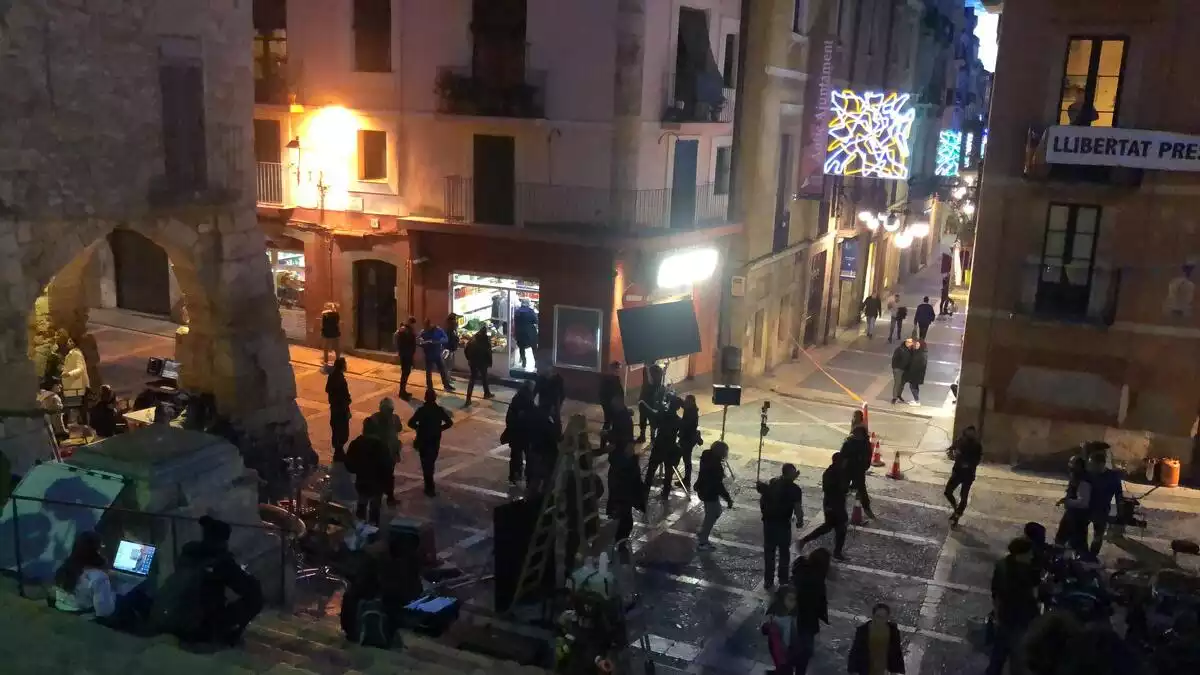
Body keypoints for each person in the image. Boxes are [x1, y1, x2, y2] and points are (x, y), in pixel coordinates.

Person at [153, 515, 263, 646]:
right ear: (223, 541)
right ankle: (227, 635)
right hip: (202, 627)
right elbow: (247, 588)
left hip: (177, 619)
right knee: (256, 598)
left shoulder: (189, 552)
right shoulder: (220, 562)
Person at [987, 537, 1041, 675]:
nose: (1032, 555)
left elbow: (995, 592)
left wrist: (997, 614)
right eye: (1029, 553)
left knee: (997, 658)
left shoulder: (1002, 565)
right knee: (1018, 661)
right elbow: (1034, 596)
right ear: (1021, 554)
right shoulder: (1027, 572)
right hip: (1020, 621)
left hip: (1003, 617)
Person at [1065, 450, 1123, 558]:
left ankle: (1092, 555)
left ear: (1101, 464)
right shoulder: (1088, 474)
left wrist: (1119, 512)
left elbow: (1119, 494)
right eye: (1089, 463)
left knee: (1098, 535)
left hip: (1102, 510)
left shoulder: (1112, 477)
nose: (1090, 465)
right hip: (1086, 509)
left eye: (1092, 464)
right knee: (1081, 532)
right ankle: (1082, 553)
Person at [757, 463, 805, 588]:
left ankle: (768, 580)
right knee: (784, 552)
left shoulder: (773, 483)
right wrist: (800, 521)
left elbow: (763, 499)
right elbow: (798, 508)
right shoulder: (795, 489)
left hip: (769, 523)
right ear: (790, 474)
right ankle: (783, 579)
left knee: (769, 552)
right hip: (783, 524)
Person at [788, 548, 832, 675]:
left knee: (791, 650)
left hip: (793, 618)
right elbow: (817, 603)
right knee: (803, 655)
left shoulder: (800, 568)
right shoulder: (816, 581)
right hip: (806, 621)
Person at [799, 453, 850, 560]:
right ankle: (836, 552)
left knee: (832, 527)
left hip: (838, 504)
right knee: (836, 528)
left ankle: (806, 540)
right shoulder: (830, 474)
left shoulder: (839, 472)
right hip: (833, 505)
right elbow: (830, 490)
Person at [53, 531, 115, 617]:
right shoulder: (99, 577)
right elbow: (104, 612)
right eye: (101, 545)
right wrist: (111, 590)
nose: (104, 547)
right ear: (96, 551)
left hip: (59, 613)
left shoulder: (64, 568)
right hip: (84, 621)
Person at [345, 419, 392, 525]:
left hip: (362, 481)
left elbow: (349, 464)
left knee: (361, 507)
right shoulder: (382, 445)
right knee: (375, 510)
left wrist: (357, 469)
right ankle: (373, 530)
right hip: (377, 483)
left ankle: (360, 530)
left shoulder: (356, 443)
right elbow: (388, 466)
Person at [408, 389, 453, 497]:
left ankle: (429, 486)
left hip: (423, 439)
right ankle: (429, 486)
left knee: (425, 464)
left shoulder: (422, 410)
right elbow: (449, 422)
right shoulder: (439, 410)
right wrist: (439, 428)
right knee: (431, 463)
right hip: (434, 440)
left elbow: (411, 423)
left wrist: (419, 428)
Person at [606, 438, 645, 560]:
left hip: (624, 499)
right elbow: (633, 483)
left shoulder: (627, 464)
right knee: (625, 523)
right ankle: (619, 546)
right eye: (629, 448)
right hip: (622, 499)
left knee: (625, 522)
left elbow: (636, 483)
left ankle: (619, 545)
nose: (632, 450)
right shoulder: (626, 466)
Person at [694, 441, 733, 550]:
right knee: (711, 515)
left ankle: (703, 533)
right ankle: (703, 541)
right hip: (710, 492)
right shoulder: (716, 466)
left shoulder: (706, 456)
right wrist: (728, 498)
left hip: (703, 489)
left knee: (715, 512)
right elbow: (718, 485)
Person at [848, 603, 906, 675]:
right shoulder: (863, 631)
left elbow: (896, 653)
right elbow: (855, 651)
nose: (880, 620)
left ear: (887, 618)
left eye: (883, 617)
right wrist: (853, 671)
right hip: (867, 669)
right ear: (873, 616)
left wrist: (894, 671)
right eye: (878, 616)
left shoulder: (893, 632)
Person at [643, 397, 682, 502]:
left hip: (659, 446)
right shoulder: (678, 420)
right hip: (670, 448)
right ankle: (665, 494)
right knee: (668, 473)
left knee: (651, 472)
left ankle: (645, 492)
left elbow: (654, 422)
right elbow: (681, 434)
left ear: (669, 404)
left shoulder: (662, 414)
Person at [366, 398, 403, 505]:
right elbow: (399, 429)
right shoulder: (393, 418)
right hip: (383, 452)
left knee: (386, 476)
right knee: (385, 476)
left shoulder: (375, 418)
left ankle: (386, 497)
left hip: (386, 453)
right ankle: (386, 497)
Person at [944, 426, 982, 524]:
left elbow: (977, 460)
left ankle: (957, 515)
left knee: (964, 496)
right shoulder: (960, 441)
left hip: (968, 475)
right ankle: (955, 508)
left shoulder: (977, 445)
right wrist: (950, 452)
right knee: (948, 492)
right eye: (968, 432)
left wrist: (968, 464)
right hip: (957, 472)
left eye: (972, 433)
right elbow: (952, 449)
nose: (970, 434)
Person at [762, 586, 803, 675]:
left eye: (795, 600)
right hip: (777, 649)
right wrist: (769, 627)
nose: (793, 603)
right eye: (790, 599)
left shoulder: (795, 614)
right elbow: (764, 629)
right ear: (782, 598)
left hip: (788, 650)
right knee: (783, 667)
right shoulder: (774, 614)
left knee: (786, 669)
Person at [503, 383, 536, 483]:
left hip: (516, 433)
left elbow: (509, 418)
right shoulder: (529, 402)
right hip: (524, 434)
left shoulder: (516, 400)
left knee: (515, 455)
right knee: (528, 456)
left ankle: (514, 475)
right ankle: (527, 476)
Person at [843, 426, 875, 520]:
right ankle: (838, 509)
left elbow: (868, 459)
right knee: (844, 488)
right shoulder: (850, 442)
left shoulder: (863, 443)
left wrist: (863, 468)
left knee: (861, 490)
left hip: (856, 470)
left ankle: (867, 508)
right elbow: (842, 456)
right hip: (850, 470)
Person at [326, 357, 351, 461]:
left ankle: (338, 451)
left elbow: (327, 389)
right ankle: (339, 452)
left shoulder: (332, 376)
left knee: (336, 430)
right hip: (341, 409)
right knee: (342, 431)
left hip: (335, 408)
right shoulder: (340, 379)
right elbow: (344, 396)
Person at [418, 318, 454, 392]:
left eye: (427, 326)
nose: (426, 328)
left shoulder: (438, 330)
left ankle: (446, 385)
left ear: (430, 325)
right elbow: (418, 340)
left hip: (437, 354)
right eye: (425, 326)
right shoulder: (423, 332)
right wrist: (421, 342)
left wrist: (436, 342)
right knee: (428, 373)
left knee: (442, 371)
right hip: (428, 355)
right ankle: (430, 388)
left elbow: (446, 339)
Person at [463, 326, 494, 406]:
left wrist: (468, 359)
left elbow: (466, 349)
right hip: (482, 362)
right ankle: (486, 393)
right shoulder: (485, 340)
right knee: (484, 377)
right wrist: (490, 362)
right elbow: (488, 352)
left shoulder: (473, 338)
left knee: (472, 380)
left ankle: (468, 399)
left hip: (473, 362)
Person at [598, 361, 625, 451]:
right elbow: (604, 394)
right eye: (617, 369)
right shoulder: (609, 380)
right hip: (610, 406)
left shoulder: (614, 379)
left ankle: (608, 444)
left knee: (610, 424)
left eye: (618, 369)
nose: (618, 371)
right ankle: (605, 444)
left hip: (613, 406)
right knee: (609, 424)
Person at [636, 364, 665, 443]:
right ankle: (647, 436)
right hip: (646, 402)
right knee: (645, 420)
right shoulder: (654, 371)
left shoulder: (655, 372)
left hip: (649, 403)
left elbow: (650, 381)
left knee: (651, 420)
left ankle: (650, 437)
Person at [678, 394, 701, 489]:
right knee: (685, 458)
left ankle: (687, 480)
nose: (685, 403)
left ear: (691, 403)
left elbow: (685, 425)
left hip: (688, 439)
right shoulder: (690, 408)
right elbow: (682, 403)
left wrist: (677, 421)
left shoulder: (692, 413)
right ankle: (686, 479)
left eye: (687, 402)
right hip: (686, 438)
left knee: (686, 460)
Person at [394, 317, 417, 400]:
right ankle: (402, 392)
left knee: (406, 373)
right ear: (411, 323)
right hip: (406, 355)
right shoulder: (405, 330)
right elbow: (399, 339)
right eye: (413, 323)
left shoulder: (406, 329)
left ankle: (403, 391)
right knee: (405, 373)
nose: (414, 326)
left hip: (407, 354)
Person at [512, 298, 539, 369]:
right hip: (530, 333)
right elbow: (536, 321)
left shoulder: (517, 312)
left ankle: (524, 362)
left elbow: (515, 321)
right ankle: (536, 362)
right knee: (534, 348)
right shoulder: (531, 311)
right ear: (528, 303)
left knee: (521, 348)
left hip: (520, 333)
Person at [904, 339, 928, 406]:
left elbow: (919, 364)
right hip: (915, 374)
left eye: (918, 344)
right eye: (916, 344)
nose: (916, 345)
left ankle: (917, 401)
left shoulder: (922, 354)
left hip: (916, 374)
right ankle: (916, 400)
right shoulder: (919, 352)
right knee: (915, 387)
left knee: (912, 387)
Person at [889, 340, 912, 405]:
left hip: (905, 370)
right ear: (905, 342)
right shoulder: (899, 349)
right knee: (897, 383)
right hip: (898, 369)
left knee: (902, 383)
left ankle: (899, 395)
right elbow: (894, 358)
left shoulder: (910, 350)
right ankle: (894, 397)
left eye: (911, 343)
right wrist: (895, 367)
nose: (910, 344)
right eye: (908, 342)